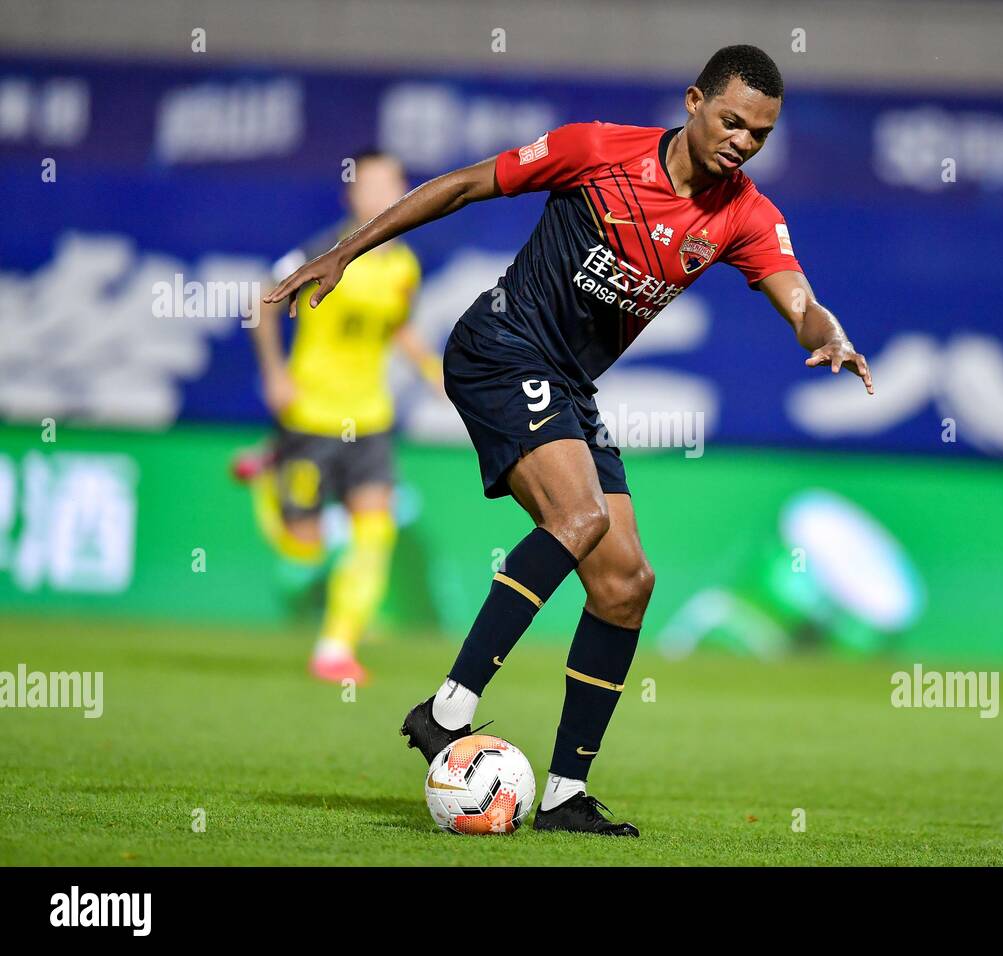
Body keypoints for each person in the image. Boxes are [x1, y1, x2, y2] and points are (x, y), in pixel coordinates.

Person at [264, 46, 873, 836]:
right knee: (580, 518)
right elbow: (462, 185)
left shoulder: (745, 216)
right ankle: (448, 708)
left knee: (627, 584)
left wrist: (826, 332)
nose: (741, 142)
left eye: (758, 133)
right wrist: (349, 249)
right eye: (731, 121)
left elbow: (801, 299)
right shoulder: (596, 149)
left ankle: (562, 797)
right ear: (693, 101)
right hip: (498, 348)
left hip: (568, 387)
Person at [240, 150, 442, 686]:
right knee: (301, 554)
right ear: (350, 194)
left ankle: (335, 647)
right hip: (310, 415)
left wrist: (433, 371)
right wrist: (274, 374)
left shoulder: (404, 266)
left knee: (374, 530)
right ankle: (267, 476)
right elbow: (262, 298)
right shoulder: (322, 251)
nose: (379, 195)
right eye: (368, 185)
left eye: (390, 185)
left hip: (370, 418)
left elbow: (398, 325)